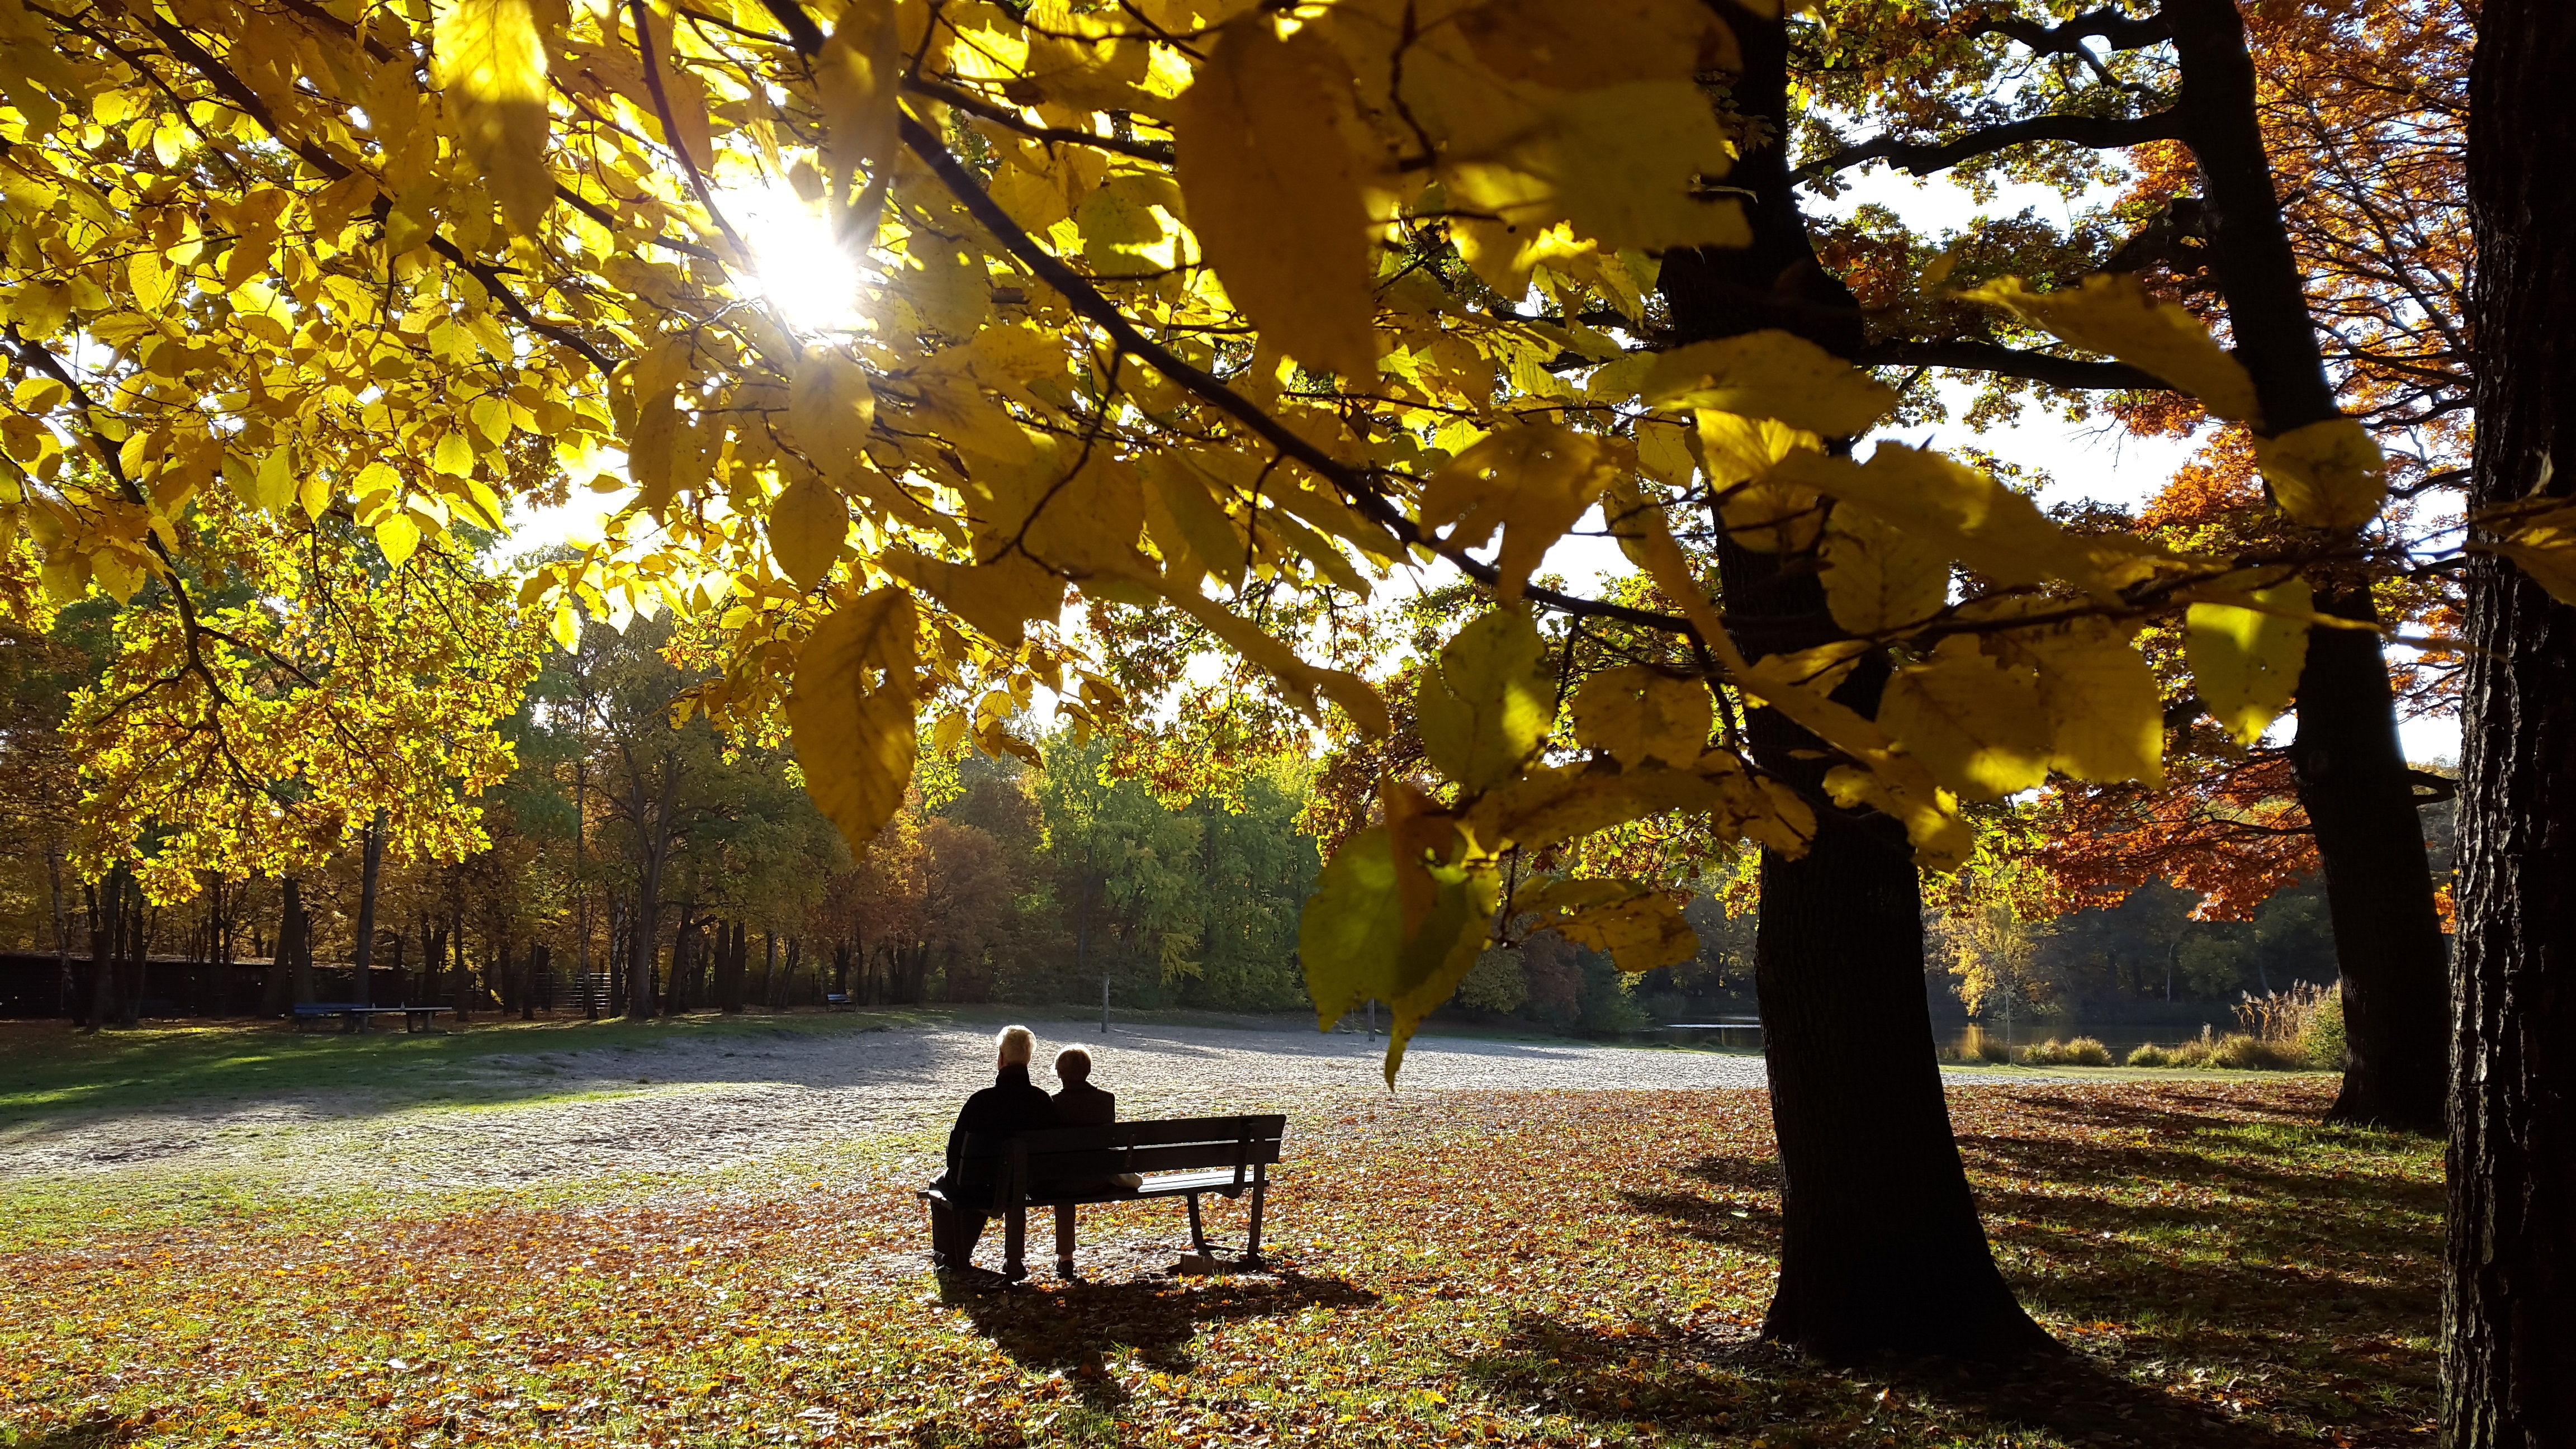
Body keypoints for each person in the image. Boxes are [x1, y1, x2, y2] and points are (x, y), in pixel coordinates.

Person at [927, 1025, 1055, 1277]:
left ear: (1001, 1058)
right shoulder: (1042, 1101)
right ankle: (1008, 1260)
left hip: (981, 1183)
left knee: (946, 1183)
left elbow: (955, 1156)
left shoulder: (980, 1102)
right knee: (990, 1182)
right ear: (1028, 1059)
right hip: (1030, 1183)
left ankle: (951, 1255)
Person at [1044, 1046, 1140, 1279]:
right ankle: (1065, 1258)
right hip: (1098, 1178)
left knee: (1065, 1178)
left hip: (1063, 1182)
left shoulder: (1052, 1104)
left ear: (1059, 1073)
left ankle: (1066, 1258)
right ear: (1088, 1071)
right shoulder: (1106, 1101)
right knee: (1074, 1171)